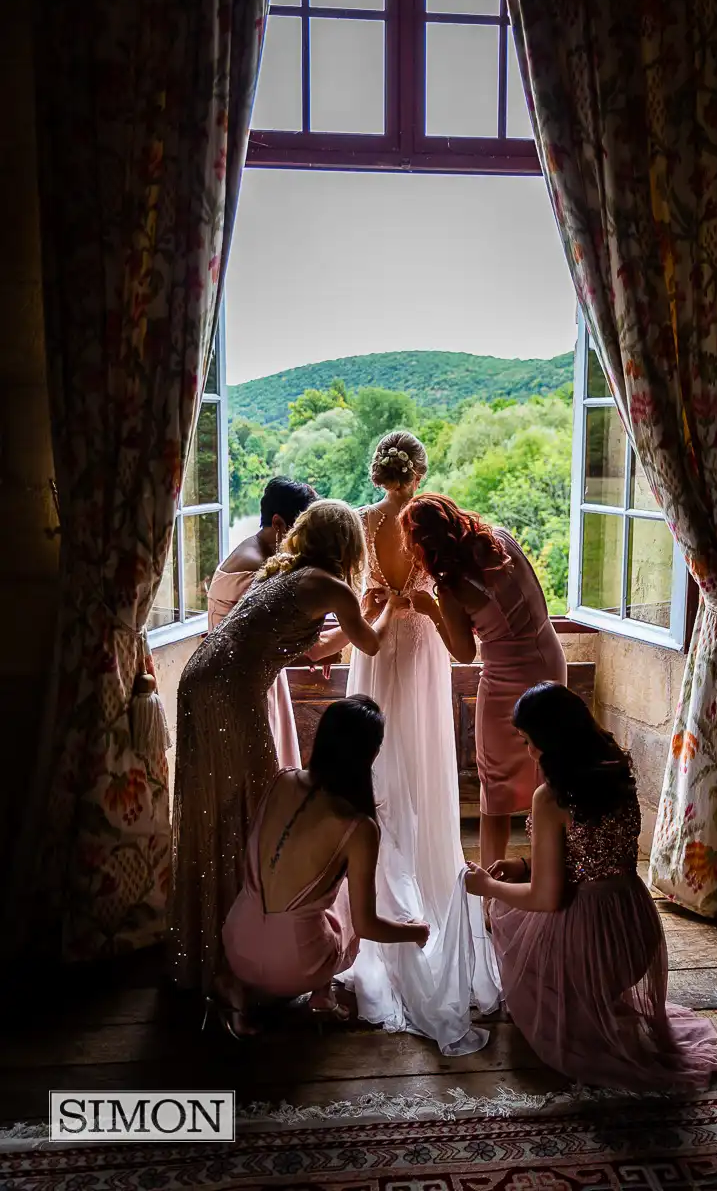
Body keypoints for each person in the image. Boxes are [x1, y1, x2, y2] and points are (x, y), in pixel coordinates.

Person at [168, 499, 405, 993]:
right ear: (347, 545)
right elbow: (371, 643)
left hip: (200, 677)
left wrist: (360, 617)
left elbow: (315, 648)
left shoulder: (284, 573)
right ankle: (246, 951)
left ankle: (224, 937)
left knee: (220, 804)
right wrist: (387, 610)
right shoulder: (332, 586)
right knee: (255, 802)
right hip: (230, 691)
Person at [465, 682, 717, 1092]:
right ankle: (590, 997)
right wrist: (522, 864)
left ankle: (573, 998)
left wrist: (487, 888)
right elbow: (593, 853)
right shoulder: (617, 771)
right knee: (517, 900)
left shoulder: (550, 798)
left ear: (552, 740)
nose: (529, 751)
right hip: (634, 931)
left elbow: (546, 898)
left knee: (504, 914)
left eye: (530, 742)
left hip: (592, 943)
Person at [339, 435, 500, 1055]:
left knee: (379, 769)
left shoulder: (362, 521)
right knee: (422, 769)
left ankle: (379, 889)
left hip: (375, 646)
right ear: (420, 472)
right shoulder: (428, 517)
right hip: (423, 644)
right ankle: (422, 892)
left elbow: (358, 598)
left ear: (378, 471)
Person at [217, 696, 430, 1037]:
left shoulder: (281, 780)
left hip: (236, 941)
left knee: (303, 897)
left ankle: (237, 990)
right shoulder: (358, 826)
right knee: (344, 903)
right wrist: (416, 932)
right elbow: (368, 926)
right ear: (370, 755)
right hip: (296, 966)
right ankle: (321, 993)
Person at [400, 494, 567, 879]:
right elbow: (536, 598)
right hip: (549, 660)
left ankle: (492, 888)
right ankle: (552, 871)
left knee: (496, 782)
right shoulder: (502, 541)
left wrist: (430, 611)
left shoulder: (452, 588)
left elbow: (463, 652)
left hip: (507, 679)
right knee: (551, 768)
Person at [207, 477, 318, 768]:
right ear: (279, 522)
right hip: (245, 685)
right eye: (303, 530)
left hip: (251, 674)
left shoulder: (260, 551)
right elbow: (296, 639)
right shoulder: (255, 567)